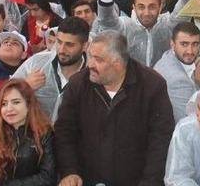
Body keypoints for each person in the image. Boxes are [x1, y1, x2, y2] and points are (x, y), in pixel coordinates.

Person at [54, 30, 175, 186]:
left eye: (98, 59)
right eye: (90, 56)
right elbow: (64, 131)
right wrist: (69, 171)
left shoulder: (152, 86)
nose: (90, 64)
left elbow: (160, 140)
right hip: (87, 180)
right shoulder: (78, 84)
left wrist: (150, 182)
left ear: (118, 63)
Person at [12, 17, 90, 121]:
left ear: (85, 46)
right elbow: (5, 95)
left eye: (69, 45)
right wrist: (25, 86)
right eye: (59, 42)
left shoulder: (93, 74)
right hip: (34, 134)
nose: (62, 49)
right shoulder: (37, 62)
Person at [154, 22, 200, 123]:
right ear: (172, 44)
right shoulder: (178, 81)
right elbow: (188, 123)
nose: (190, 51)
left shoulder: (167, 56)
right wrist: (199, 84)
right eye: (184, 44)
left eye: (195, 44)